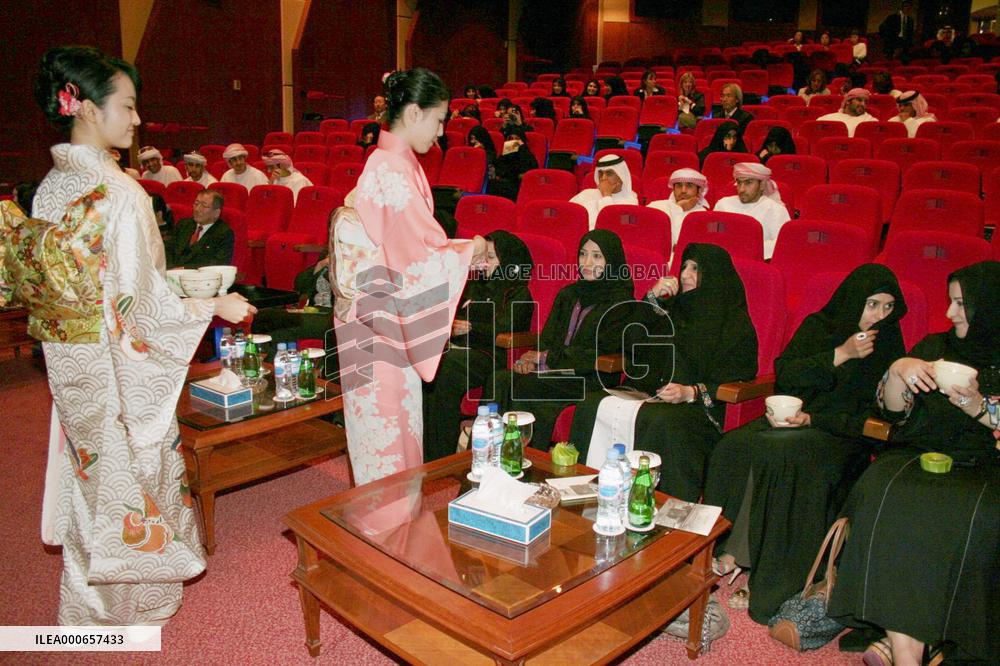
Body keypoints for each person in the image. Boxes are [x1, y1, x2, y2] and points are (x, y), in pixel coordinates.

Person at [18, 45, 253, 625]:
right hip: (114, 362)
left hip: (70, 358)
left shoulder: (50, 187)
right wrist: (210, 303)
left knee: (89, 471)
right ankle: (134, 606)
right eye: (127, 105)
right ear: (89, 110)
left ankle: (87, 601)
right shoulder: (122, 194)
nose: (138, 119)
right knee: (134, 472)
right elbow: (140, 302)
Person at [705, 264, 907, 622]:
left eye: (888, 307)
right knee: (733, 445)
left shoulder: (888, 342)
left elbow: (877, 412)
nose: (879, 315)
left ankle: (755, 565)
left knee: (778, 454)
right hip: (793, 420)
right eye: (872, 304)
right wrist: (840, 354)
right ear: (853, 301)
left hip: (840, 435)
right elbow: (788, 374)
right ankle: (722, 544)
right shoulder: (820, 326)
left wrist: (815, 419)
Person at [829, 261, 1000, 666]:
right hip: (916, 455)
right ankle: (911, 647)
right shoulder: (933, 345)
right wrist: (897, 371)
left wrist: (975, 403)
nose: (949, 313)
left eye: (961, 305)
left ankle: (905, 644)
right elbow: (892, 413)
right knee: (882, 490)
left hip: (983, 466)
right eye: (950, 302)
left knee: (966, 515)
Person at [333, 68, 487, 486]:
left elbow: (412, 246)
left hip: (379, 315)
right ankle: (385, 537)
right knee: (387, 437)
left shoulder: (390, 163)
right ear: (415, 113)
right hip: (378, 321)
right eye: (439, 120)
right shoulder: (392, 169)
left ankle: (387, 531)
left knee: (391, 434)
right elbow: (419, 253)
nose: (441, 132)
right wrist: (473, 248)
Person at [568, 243, 758, 501]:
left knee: (662, 422)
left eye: (696, 269)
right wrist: (652, 299)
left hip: (697, 410)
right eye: (685, 267)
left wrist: (690, 392)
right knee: (591, 404)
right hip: (651, 395)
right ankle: (584, 492)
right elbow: (631, 339)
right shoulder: (672, 308)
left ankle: (657, 509)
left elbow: (740, 376)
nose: (685, 276)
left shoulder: (734, 322)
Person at [495, 230, 634, 449]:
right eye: (583, 254)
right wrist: (532, 359)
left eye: (597, 256)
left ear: (611, 261)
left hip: (591, 378)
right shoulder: (568, 293)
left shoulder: (621, 302)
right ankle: (498, 454)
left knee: (523, 387)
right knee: (503, 380)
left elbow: (600, 353)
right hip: (556, 371)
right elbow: (548, 337)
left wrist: (545, 358)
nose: (587, 262)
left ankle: (515, 457)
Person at [422, 231, 534, 462]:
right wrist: (450, 327)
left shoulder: (519, 293)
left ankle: (437, 458)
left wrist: (470, 328)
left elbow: (504, 329)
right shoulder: (473, 285)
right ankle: (420, 447)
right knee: (427, 358)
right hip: (459, 348)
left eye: (491, 257)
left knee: (445, 366)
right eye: (484, 257)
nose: (484, 263)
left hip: (490, 355)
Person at [713, 162, 790, 260]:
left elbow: (781, 243)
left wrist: (745, 250)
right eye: (739, 183)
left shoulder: (775, 210)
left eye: (748, 183)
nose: (741, 189)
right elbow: (713, 236)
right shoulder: (723, 204)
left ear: (762, 185)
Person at [164, 189, 234, 268]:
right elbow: (168, 250)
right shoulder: (183, 224)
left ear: (216, 213)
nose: (197, 209)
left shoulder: (224, 233)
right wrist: (171, 269)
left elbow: (216, 265)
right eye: (196, 204)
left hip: (198, 277)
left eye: (204, 206)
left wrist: (183, 269)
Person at [569, 154, 638, 229]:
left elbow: (612, 224)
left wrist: (606, 195)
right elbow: (567, 214)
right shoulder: (586, 193)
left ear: (620, 177)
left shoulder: (631, 202)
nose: (603, 178)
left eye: (609, 173)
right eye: (601, 174)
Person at [646, 167, 709, 249]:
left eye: (689, 186)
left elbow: (678, 242)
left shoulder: (702, 214)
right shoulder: (656, 206)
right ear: (674, 189)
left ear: (699, 190)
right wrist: (678, 207)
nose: (683, 190)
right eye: (679, 186)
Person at [488, 125, 537, 201]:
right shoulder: (504, 155)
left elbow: (530, 170)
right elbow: (499, 168)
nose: (513, 141)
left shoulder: (527, 154)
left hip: (519, 186)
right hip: (504, 184)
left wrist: (523, 148)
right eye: (511, 139)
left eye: (517, 139)